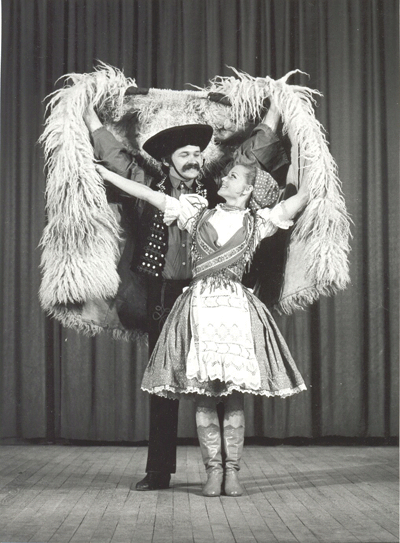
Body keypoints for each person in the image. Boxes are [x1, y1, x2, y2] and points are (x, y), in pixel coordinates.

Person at [83, 99, 289, 492]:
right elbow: (116, 160)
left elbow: (249, 157)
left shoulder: (217, 190)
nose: (194, 160)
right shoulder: (152, 186)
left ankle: (223, 471)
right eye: (185, 155)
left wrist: (275, 114)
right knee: (165, 382)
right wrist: (91, 120)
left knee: (220, 383)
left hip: (208, 295)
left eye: (197, 153)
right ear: (168, 160)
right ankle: (159, 471)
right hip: (162, 294)